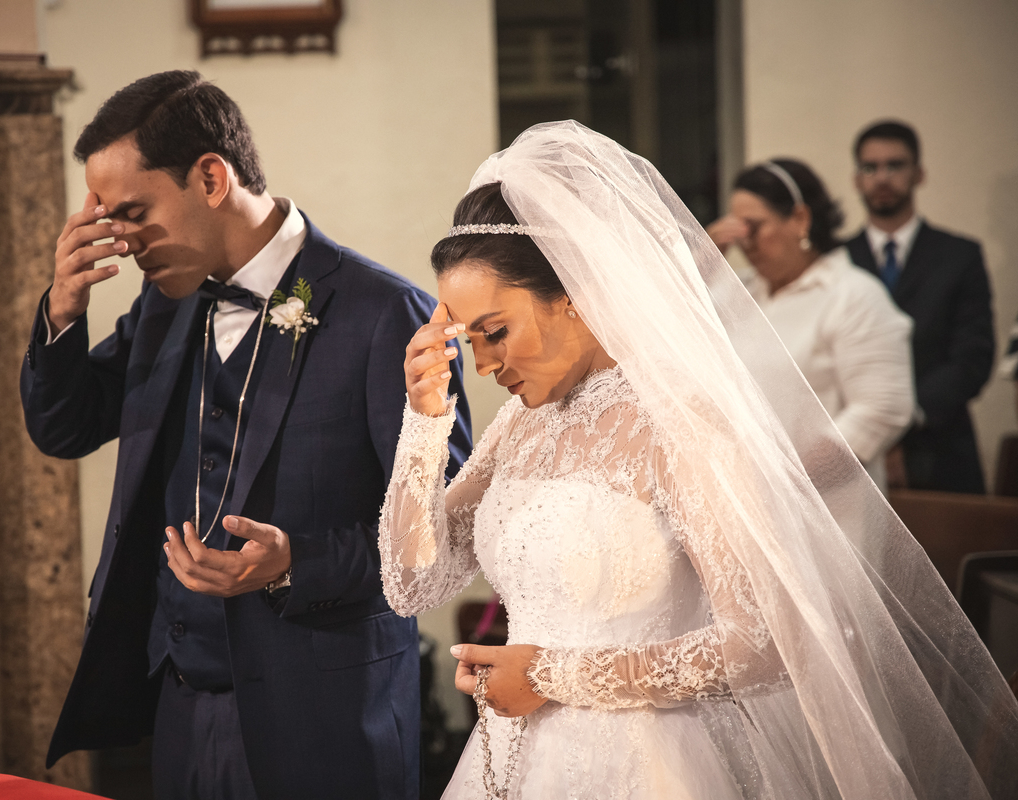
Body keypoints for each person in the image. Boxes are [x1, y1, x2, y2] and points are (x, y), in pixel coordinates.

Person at [379, 121, 1018, 799]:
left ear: (570, 293)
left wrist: (549, 676)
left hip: (649, 762)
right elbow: (412, 586)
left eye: (494, 332)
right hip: (511, 755)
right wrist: (423, 423)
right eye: (465, 342)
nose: (482, 364)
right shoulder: (518, 424)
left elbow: (765, 642)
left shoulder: (679, 423)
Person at [20, 70, 472, 800]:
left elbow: (445, 533)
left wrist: (295, 562)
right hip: (180, 702)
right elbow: (66, 427)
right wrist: (64, 311)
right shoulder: (165, 305)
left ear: (209, 176)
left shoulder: (383, 312)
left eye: (133, 211)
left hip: (326, 716)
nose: (123, 240)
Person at [706, 158, 914, 491]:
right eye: (738, 229)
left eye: (753, 227)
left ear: (800, 219)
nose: (745, 242)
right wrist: (704, 259)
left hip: (824, 501)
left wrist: (790, 481)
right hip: (740, 494)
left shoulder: (853, 295)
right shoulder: (739, 291)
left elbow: (882, 409)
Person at [844, 120, 995, 494]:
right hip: (854, 456)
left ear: (919, 173)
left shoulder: (960, 256)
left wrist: (900, 415)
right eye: (870, 167)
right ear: (856, 179)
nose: (882, 177)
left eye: (895, 165)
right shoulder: (836, 261)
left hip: (941, 445)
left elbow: (972, 357)